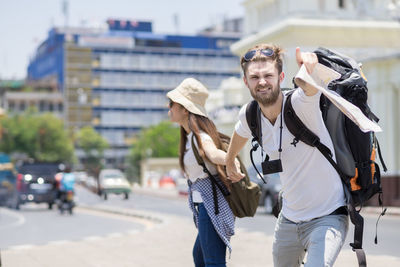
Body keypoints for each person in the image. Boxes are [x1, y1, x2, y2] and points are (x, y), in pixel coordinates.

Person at [225, 44, 349, 267]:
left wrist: (310, 70)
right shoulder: (250, 114)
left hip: (328, 217)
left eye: (268, 75)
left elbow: (310, 89)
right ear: (246, 82)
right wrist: (230, 158)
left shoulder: (301, 103)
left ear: (281, 77)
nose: (262, 82)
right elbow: (239, 132)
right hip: (289, 220)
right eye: (254, 77)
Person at [167, 78, 241, 267]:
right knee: (200, 257)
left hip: (212, 207)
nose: (169, 108)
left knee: (212, 262)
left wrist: (230, 160)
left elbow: (213, 154)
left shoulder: (201, 136)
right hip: (205, 207)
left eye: (172, 104)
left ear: (185, 109)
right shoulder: (190, 137)